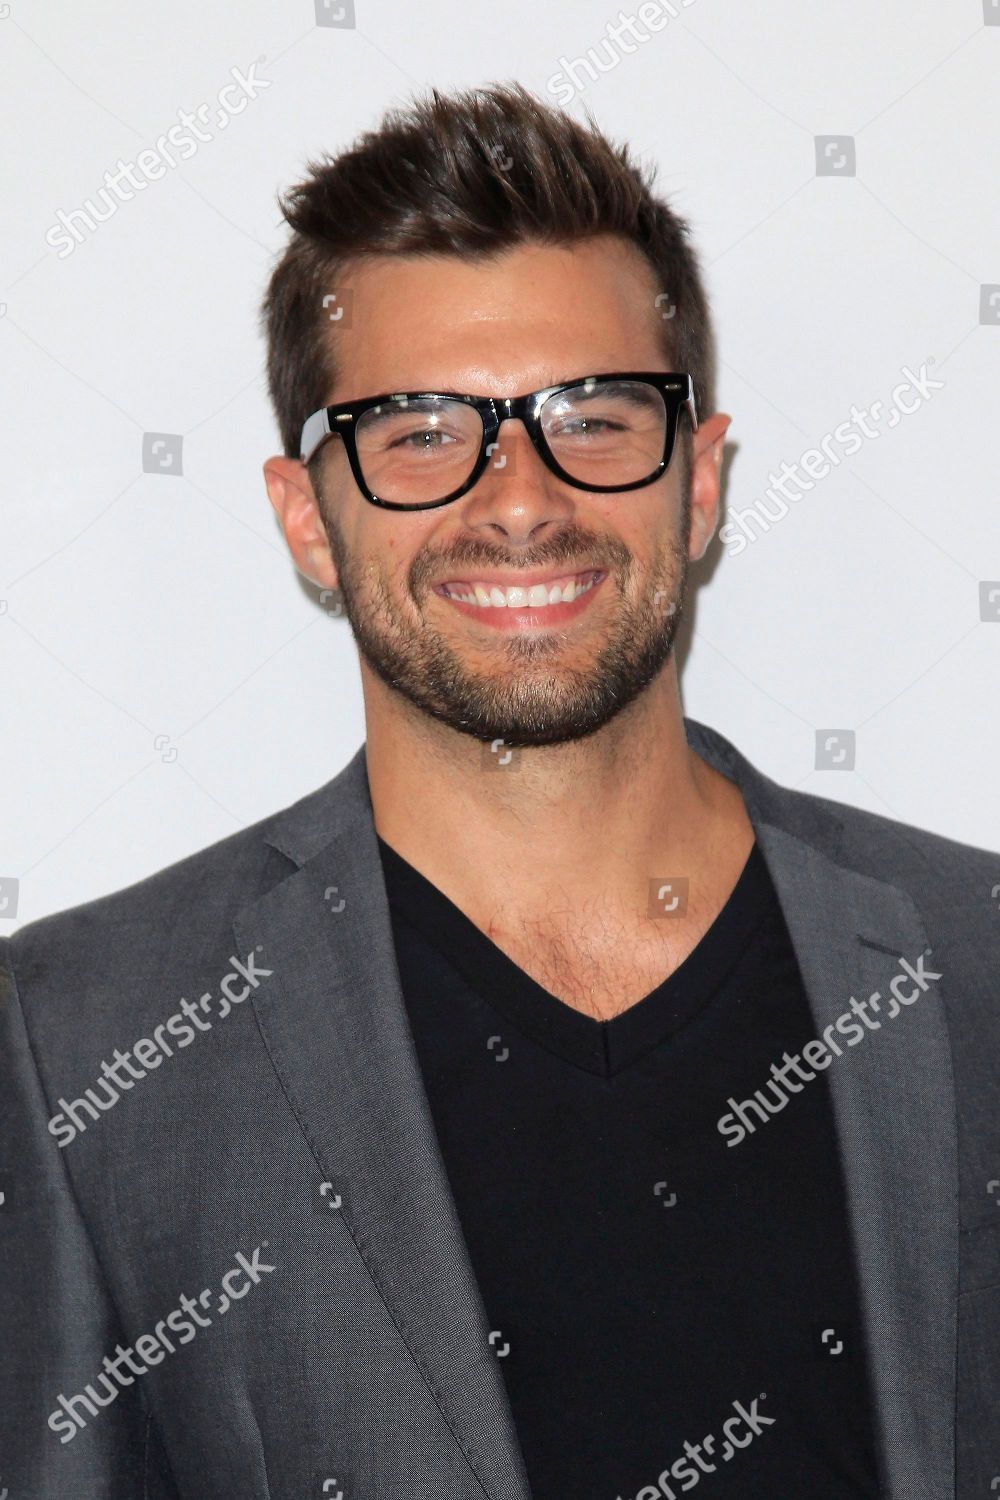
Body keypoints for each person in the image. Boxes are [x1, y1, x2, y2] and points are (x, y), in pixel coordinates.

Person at [2, 81, 997, 1500]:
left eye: (592, 416)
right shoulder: (88, 1038)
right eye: (417, 431)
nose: (518, 497)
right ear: (309, 519)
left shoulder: (973, 956)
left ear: (699, 484)